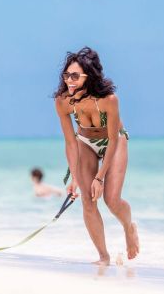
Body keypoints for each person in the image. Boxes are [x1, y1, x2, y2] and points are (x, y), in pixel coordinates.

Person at [54, 46, 139, 264]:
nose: (69, 81)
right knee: (88, 201)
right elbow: (70, 142)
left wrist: (99, 177)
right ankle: (103, 256)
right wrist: (74, 177)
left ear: (88, 76)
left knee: (111, 200)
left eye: (75, 76)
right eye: (66, 75)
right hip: (86, 143)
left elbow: (112, 139)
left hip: (114, 141)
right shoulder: (63, 101)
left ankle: (129, 227)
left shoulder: (108, 100)